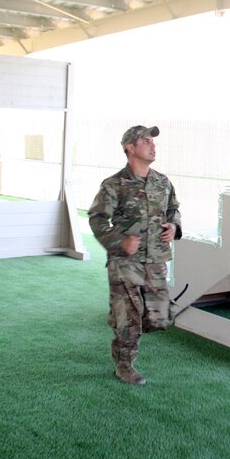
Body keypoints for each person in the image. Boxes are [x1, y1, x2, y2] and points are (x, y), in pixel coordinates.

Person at [88, 125, 182, 385]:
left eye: (153, 142)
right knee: (129, 319)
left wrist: (174, 227)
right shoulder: (114, 184)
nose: (153, 146)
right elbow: (97, 219)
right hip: (125, 262)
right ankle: (124, 363)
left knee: (160, 317)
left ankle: (119, 317)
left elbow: (174, 209)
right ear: (130, 147)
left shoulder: (162, 182)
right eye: (146, 141)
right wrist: (119, 242)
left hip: (156, 260)